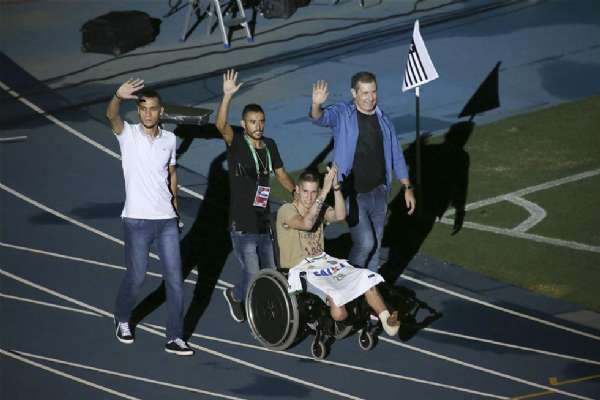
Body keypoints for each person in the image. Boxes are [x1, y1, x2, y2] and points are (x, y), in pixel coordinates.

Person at [106, 78, 193, 356]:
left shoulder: (170, 140)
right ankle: (122, 318)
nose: (147, 113)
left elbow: (171, 175)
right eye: (143, 108)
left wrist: (176, 211)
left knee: (175, 280)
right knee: (137, 276)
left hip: (166, 220)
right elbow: (111, 115)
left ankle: (175, 337)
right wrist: (118, 96)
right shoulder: (128, 135)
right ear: (138, 111)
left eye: (152, 108)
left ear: (160, 111)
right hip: (136, 221)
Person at [310, 72, 416, 272]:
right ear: (354, 93)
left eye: (373, 92)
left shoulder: (384, 120)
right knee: (366, 243)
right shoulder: (343, 114)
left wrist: (407, 187)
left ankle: (370, 287)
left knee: (375, 248)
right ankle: (350, 284)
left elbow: (396, 154)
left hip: (380, 192)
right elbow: (320, 118)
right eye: (365, 93)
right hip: (352, 194)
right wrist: (316, 104)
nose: (370, 98)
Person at [277, 167, 400, 336]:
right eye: (305, 192)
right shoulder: (286, 210)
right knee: (339, 311)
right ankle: (340, 316)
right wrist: (323, 192)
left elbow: (340, 215)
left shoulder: (319, 206)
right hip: (302, 269)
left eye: (314, 192)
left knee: (365, 278)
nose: (309, 197)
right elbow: (306, 223)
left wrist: (335, 188)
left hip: (324, 263)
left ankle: (386, 319)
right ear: (297, 190)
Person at [215, 69, 295, 322]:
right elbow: (220, 126)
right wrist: (227, 96)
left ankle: (267, 312)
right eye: (252, 122)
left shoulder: (270, 145)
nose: (258, 126)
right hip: (242, 223)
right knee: (252, 275)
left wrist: (298, 195)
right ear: (244, 124)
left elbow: (281, 175)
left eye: (261, 121)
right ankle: (236, 295)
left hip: (263, 220)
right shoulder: (237, 143)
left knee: (271, 272)